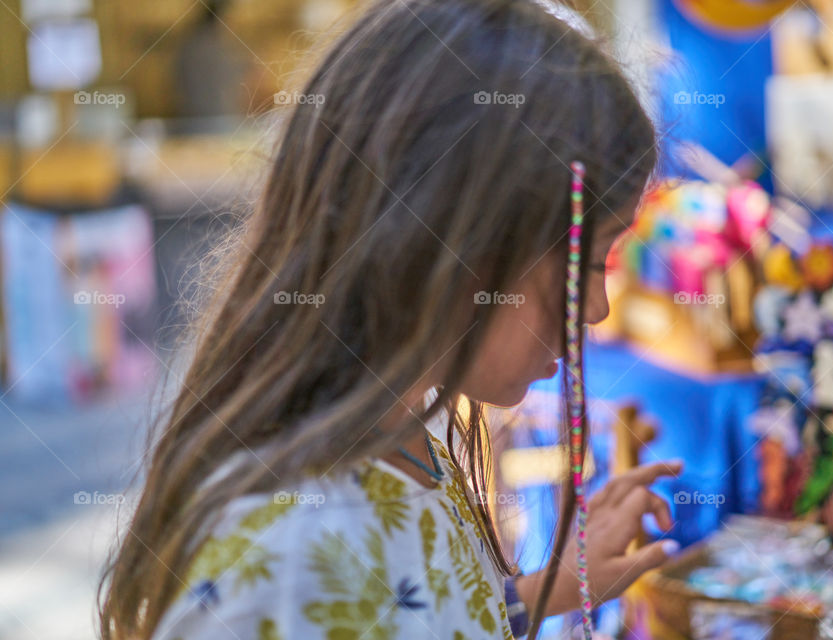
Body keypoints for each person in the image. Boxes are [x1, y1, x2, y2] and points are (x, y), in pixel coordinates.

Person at [98, 0, 682, 638]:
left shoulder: (402, 438)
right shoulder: (293, 559)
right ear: (455, 251)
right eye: (589, 263)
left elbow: (425, 610)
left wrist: (549, 588)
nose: (596, 307)